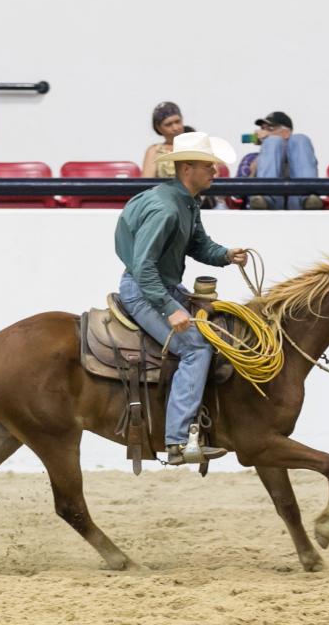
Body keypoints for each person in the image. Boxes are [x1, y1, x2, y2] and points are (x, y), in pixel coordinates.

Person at [115, 132, 248, 465]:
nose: (215, 171)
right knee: (195, 348)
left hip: (163, 286)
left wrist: (227, 255)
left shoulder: (187, 202)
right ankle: (177, 440)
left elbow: (199, 244)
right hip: (147, 290)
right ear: (187, 168)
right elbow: (143, 267)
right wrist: (167, 307)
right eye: (208, 165)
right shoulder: (165, 209)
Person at [249, 111, 322, 210]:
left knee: (301, 139)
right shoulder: (251, 158)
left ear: (286, 132)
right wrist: (253, 173)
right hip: (268, 209)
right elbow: (236, 195)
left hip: (299, 205)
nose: (262, 133)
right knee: (272, 142)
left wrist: (270, 137)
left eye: (270, 128)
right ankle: (266, 198)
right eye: (262, 129)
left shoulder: (303, 154)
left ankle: (307, 196)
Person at [141, 102, 185, 178]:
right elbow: (147, 182)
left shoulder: (196, 145)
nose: (175, 128)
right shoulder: (154, 151)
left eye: (177, 122)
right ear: (158, 128)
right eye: (168, 124)